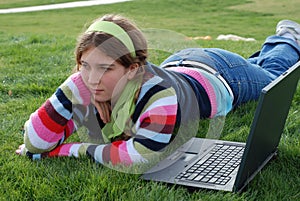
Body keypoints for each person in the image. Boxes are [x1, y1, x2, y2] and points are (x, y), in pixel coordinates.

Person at [16, 14, 300, 171]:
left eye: (105, 68)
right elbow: (36, 141)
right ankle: (261, 57)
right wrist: (71, 87)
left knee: (273, 73)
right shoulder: (89, 85)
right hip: (180, 64)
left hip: (221, 76)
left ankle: (287, 36)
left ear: (133, 69)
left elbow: (142, 156)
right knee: (258, 66)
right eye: (85, 66)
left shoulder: (159, 95)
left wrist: (67, 151)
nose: (92, 79)